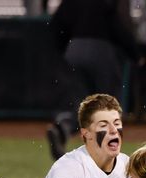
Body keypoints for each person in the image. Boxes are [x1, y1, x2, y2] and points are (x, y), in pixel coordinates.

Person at [46, 0, 141, 160]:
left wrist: (66, 50)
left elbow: (57, 25)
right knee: (107, 105)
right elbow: (117, 26)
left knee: (79, 104)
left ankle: (63, 126)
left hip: (74, 49)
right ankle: (104, 154)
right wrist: (135, 53)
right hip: (102, 50)